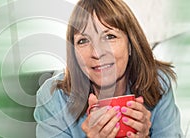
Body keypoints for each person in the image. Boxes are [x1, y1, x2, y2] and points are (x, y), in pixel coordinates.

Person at [34, 0, 183, 138]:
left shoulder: (157, 82)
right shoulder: (54, 97)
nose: (97, 52)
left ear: (130, 44)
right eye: (83, 40)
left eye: (110, 36)